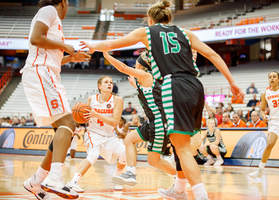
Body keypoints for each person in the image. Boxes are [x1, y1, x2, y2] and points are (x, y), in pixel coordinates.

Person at [79, 1, 243, 199]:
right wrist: (232, 82)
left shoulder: (147, 32)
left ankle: (201, 196)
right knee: (180, 145)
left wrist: (93, 46)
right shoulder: (185, 33)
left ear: (150, 19)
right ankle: (180, 189)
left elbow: (113, 44)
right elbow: (213, 54)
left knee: (181, 148)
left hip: (173, 85)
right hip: (196, 86)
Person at [22, 0, 91, 199]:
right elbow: (36, 38)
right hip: (41, 72)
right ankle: (54, 178)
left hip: (48, 72)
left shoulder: (53, 18)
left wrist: (70, 58)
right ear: (64, 2)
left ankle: (36, 181)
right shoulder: (49, 10)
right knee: (68, 123)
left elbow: (50, 55)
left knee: (63, 132)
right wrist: (65, 45)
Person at [103, 51, 176, 187]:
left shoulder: (145, 75)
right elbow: (150, 92)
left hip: (159, 123)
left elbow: (123, 68)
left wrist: (107, 56)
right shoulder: (144, 80)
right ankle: (130, 171)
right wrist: (135, 86)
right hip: (152, 121)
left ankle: (180, 178)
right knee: (129, 139)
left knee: (153, 161)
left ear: (138, 64)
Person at [67, 76, 126, 191]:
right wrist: (79, 117)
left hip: (109, 137)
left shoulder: (117, 100)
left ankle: (116, 178)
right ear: (99, 86)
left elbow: (114, 122)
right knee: (93, 155)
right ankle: (73, 182)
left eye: (111, 82)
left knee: (126, 153)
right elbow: (85, 117)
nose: (109, 84)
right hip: (93, 133)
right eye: (106, 82)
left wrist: (97, 115)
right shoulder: (91, 99)